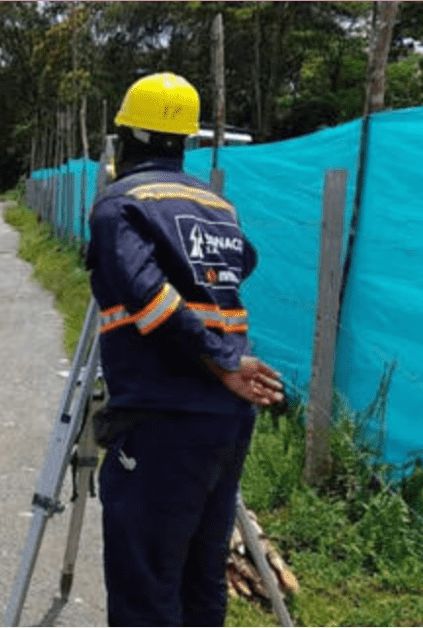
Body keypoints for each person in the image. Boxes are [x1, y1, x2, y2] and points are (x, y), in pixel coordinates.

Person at [84, 72, 285, 627]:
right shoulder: (217, 205)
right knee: (201, 577)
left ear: (130, 139)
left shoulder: (118, 205)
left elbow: (148, 300)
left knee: (146, 584)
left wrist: (220, 360)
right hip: (225, 423)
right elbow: (243, 262)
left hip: (160, 419)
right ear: (183, 142)